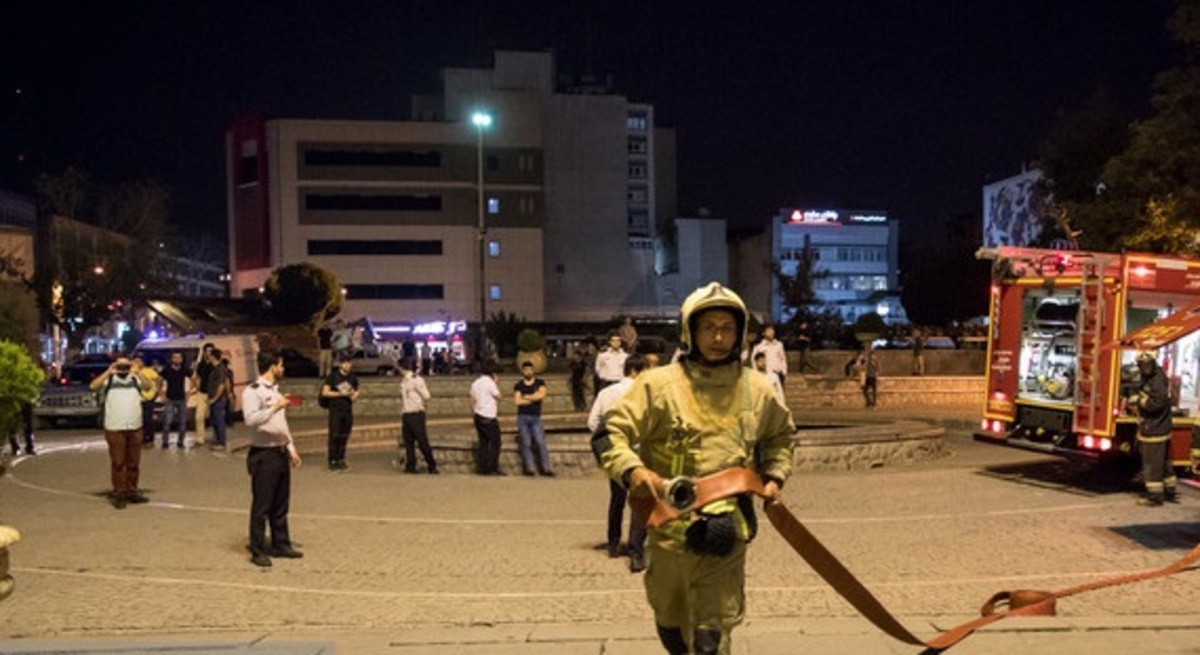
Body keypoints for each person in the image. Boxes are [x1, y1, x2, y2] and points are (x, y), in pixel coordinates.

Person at [597, 282, 795, 654]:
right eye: (709, 327)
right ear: (690, 331)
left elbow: (781, 438)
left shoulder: (757, 389)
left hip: (726, 528)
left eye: (727, 328)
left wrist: (773, 475)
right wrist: (633, 472)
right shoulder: (657, 386)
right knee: (670, 623)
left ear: (740, 335)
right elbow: (607, 435)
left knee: (711, 635)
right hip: (667, 526)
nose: (719, 336)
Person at [587, 353, 648, 572]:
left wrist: (608, 442)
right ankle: (636, 549)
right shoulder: (642, 392)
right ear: (636, 371)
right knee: (640, 500)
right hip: (639, 453)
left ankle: (613, 543)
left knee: (617, 499)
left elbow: (592, 421)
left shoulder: (606, 392)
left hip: (614, 454)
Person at [242, 350, 303, 567]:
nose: (283, 368)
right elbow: (250, 419)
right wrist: (275, 406)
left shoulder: (276, 391)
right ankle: (258, 549)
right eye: (281, 364)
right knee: (262, 504)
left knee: (280, 503)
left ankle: (281, 543)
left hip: (279, 451)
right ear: (272, 366)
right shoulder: (253, 391)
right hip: (263, 453)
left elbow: (281, 425)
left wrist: (291, 448)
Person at [90, 356, 155, 509]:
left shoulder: (135, 379)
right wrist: (109, 371)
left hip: (134, 425)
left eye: (126, 365)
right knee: (118, 462)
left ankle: (132, 491)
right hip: (115, 426)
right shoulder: (110, 381)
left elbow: (148, 386)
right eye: (121, 366)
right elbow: (93, 386)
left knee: (133, 463)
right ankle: (119, 493)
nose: (123, 369)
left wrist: (138, 371)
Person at [1129, 350, 1176, 506]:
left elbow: (1157, 404)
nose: (1143, 368)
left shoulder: (1157, 380)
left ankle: (1155, 497)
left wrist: (1139, 401)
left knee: (1152, 463)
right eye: (1141, 365)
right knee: (1162, 462)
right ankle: (1169, 490)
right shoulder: (1153, 376)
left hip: (1155, 428)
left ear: (1152, 363)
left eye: (1145, 364)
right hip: (1157, 426)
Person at [513, 361, 554, 477]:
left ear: (533, 370)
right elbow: (517, 401)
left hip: (536, 417)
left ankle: (546, 468)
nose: (528, 372)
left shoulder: (540, 383)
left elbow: (541, 395)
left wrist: (525, 397)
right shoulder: (518, 385)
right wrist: (533, 398)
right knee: (526, 443)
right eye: (526, 370)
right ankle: (530, 469)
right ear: (523, 371)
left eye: (530, 370)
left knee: (540, 442)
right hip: (523, 417)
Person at [320, 354, 360, 471]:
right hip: (335, 410)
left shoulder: (353, 378)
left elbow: (356, 391)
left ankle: (341, 458)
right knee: (334, 435)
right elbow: (325, 392)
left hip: (347, 410)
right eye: (345, 363)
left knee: (344, 435)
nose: (347, 365)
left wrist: (354, 395)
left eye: (349, 363)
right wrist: (340, 394)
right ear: (340, 364)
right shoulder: (333, 376)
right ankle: (332, 459)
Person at [399, 357, 438, 474]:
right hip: (406, 413)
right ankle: (410, 465)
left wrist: (422, 403)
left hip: (416, 413)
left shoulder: (416, 380)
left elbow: (426, 395)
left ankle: (432, 465)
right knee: (408, 441)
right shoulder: (403, 381)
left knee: (422, 441)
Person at [470, 362, 503, 475]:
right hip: (489, 415)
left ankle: (482, 467)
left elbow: (472, 400)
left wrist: (474, 413)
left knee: (483, 442)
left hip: (478, 415)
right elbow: (499, 396)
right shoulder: (490, 383)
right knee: (495, 443)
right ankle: (493, 467)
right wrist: (496, 383)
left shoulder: (475, 383)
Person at [159, 351, 192, 449]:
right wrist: (161, 394)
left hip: (182, 399)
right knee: (167, 421)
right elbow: (159, 381)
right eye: (175, 357)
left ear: (182, 359)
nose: (177, 359)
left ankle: (180, 442)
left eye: (179, 357)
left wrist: (189, 392)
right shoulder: (167, 370)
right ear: (172, 359)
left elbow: (195, 379)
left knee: (182, 422)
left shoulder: (185, 370)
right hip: (170, 399)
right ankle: (165, 442)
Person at [192, 342, 217, 446]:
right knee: (199, 416)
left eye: (211, 351)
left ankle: (216, 437)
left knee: (214, 417)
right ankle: (200, 438)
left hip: (212, 393)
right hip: (202, 393)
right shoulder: (201, 364)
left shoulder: (215, 365)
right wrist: (197, 387)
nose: (208, 353)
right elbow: (197, 376)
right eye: (207, 351)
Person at [205, 349, 230, 450]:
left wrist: (215, 399)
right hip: (213, 398)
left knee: (219, 420)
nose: (207, 356)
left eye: (209, 355)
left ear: (213, 356)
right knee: (214, 419)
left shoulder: (220, 369)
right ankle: (217, 439)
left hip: (218, 400)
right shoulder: (214, 368)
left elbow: (221, 385)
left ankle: (221, 442)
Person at [133, 357, 161, 446]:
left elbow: (159, 380)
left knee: (148, 419)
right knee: (139, 420)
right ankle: (141, 438)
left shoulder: (149, 371)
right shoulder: (131, 373)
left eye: (139, 361)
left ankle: (149, 438)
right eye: (135, 361)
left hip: (148, 399)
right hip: (137, 400)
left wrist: (157, 392)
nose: (137, 363)